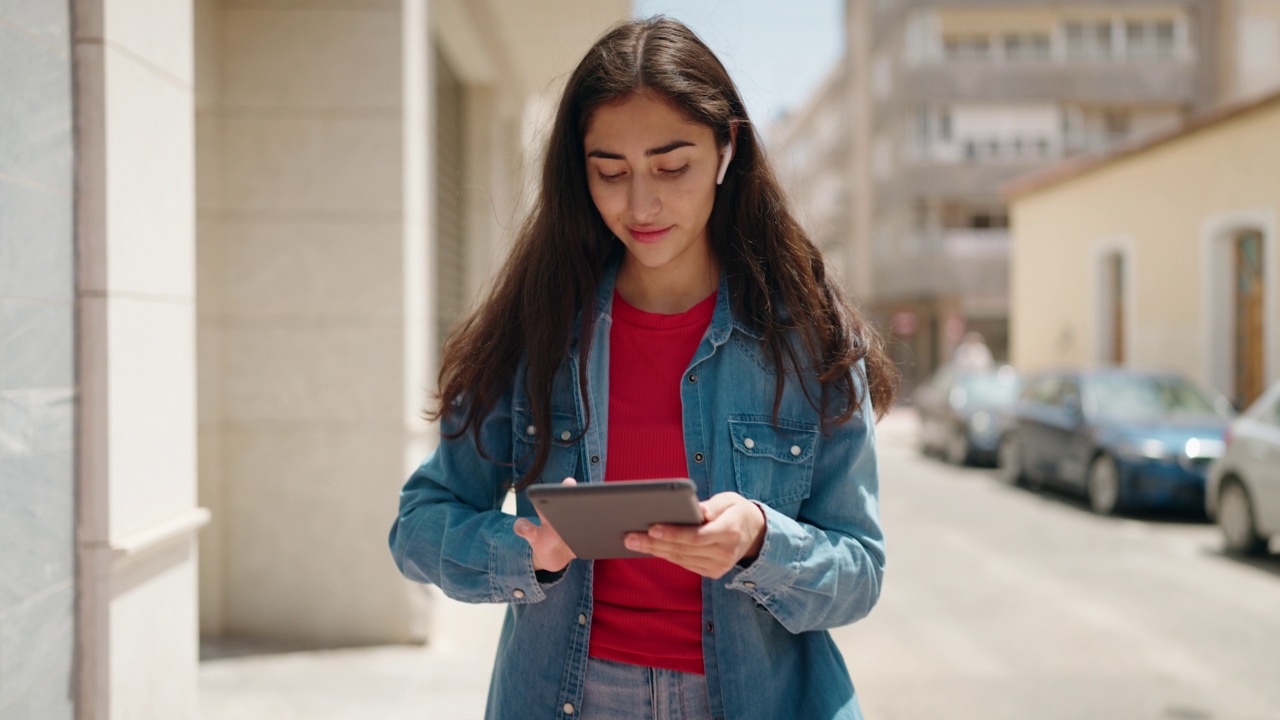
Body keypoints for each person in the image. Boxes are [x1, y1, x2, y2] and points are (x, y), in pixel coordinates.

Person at [389, 17, 898, 720]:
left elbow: (860, 573)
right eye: (610, 172)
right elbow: (419, 526)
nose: (640, 204)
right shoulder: (536, 327)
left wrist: (760, 542)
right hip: (569, 697)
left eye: (672, 166)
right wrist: (523, 550)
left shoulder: (808, 337)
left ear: (727, 150)